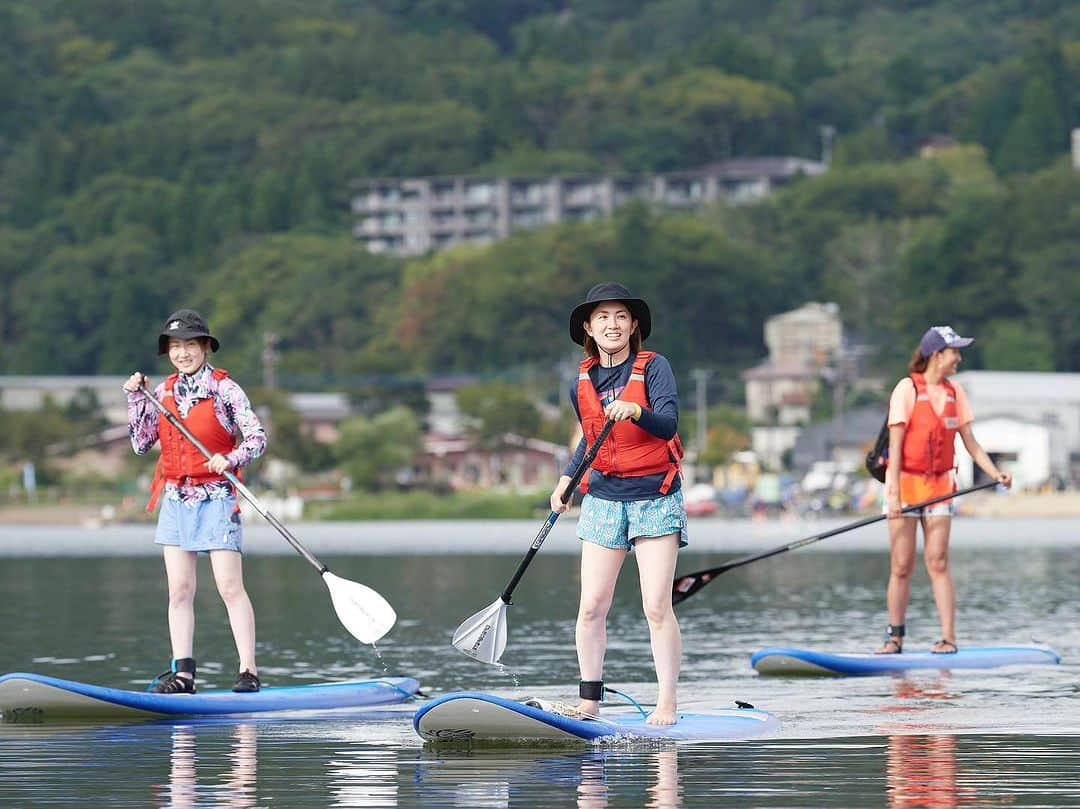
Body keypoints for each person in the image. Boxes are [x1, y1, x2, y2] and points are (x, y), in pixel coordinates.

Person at [549, 282, 687, 725]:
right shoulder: (581, 383)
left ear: (633, 327)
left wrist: (635, 410)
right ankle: (589, 700)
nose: (613, 324)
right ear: (589, 327)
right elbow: (591, 442)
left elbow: (667, 426)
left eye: (621, 317)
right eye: (603, 317)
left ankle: (666, 701)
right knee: (591, 606)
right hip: (604, 499)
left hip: (655, 496)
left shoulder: (655, 367)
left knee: (655, 606)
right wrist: (567, 480)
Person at [123, 309, 267, 693]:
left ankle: (248, 672)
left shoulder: (226, 390)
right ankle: (184, 675)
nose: (182, 353)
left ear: (205, 347)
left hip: (217, 497)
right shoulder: (163, 393)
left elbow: (257, 437)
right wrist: (136, 399)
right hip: (175, 500)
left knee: (228, 587)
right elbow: (141, 444)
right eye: (174, 346)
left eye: (189, 345)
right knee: (180, 590)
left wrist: (231, 458)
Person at [877, 325, 1011, 655]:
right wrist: (893, 496)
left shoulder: (955, 394)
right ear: (937, 355)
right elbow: (895, 448)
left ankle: (948, 638)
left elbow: (972, 445)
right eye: (955, 352)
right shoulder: (907, 390)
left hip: (940, 488)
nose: (959, 359)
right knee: (901, 565)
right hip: (906, 486)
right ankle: (895, 638)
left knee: (937, 561)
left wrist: (996, 474)